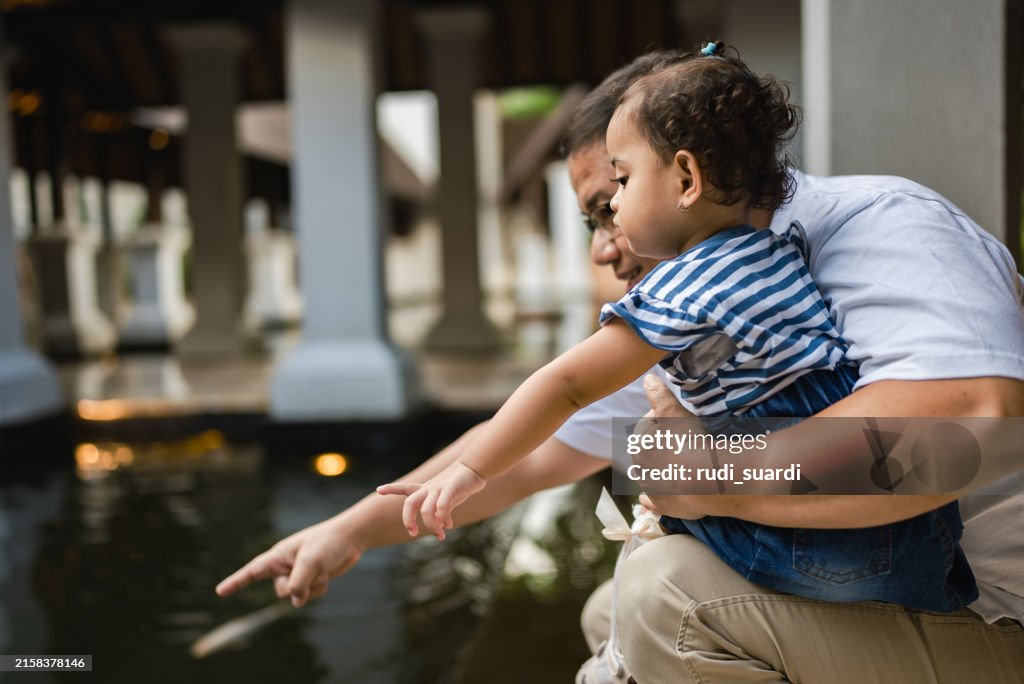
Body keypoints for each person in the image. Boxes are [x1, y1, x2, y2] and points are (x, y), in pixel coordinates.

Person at [216, 50, 1024, 681]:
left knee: (665, 593)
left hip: (992, 621)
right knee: (613, 610)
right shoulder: (712, 304)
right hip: (904, 603)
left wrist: (698, 470)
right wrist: (349, 530)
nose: (604, 248)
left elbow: (965, 422)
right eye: (588, 222)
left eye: (614, 200)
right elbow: (530, 450)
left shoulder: (881, 224)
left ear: (686, 174)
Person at [378, 42, 976, 614]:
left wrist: (468, 471)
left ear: (686, 178)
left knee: (644, 516)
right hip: (922, 550)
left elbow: (564, 388)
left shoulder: (685, 290)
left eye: (621, 182)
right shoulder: (780, 250)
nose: (612, 215)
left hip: (831, 556)